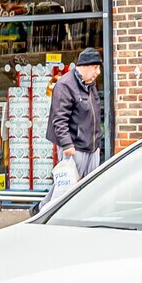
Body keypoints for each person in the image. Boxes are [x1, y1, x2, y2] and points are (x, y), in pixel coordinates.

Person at [45, 48, 105, 191]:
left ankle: (44, 208)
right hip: (74, 147)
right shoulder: (65, 85)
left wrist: (97, 141)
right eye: (95, 67)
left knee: (86, 188)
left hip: (91, 146)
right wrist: (67, 145)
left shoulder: (90, 84)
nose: (98, 72)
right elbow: (59, 119)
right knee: (69, 189)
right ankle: (46, 208)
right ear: (84, 66)